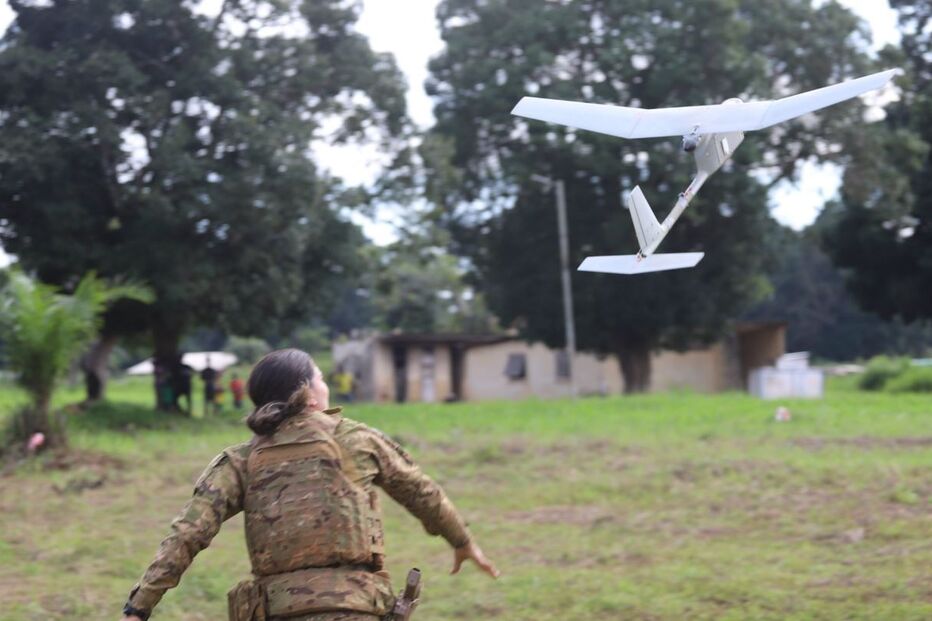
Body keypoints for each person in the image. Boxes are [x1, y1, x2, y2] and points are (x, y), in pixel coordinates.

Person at [120, 348, 498, 621]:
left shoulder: (241, 460)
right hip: (357, 607)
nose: (326, 385)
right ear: (309, 394)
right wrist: (462, 541)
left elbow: (188, 533)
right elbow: (422, 493)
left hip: (277, 610)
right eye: (321, 377)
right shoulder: (357, 439)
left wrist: (139, 608)